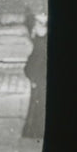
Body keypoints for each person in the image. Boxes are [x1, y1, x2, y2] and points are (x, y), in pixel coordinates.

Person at [22, 10, 47, 139]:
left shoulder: (40, 42)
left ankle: (34, 131)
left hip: (39, 77)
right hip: (40, 76)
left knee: (38, 104)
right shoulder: (42, 41)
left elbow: (35, 60)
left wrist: (30, 74)